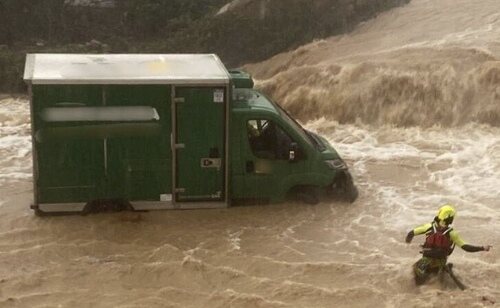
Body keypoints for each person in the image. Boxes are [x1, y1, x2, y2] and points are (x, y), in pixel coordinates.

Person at [405, 204, 492, 285]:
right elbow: (466, 247)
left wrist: (407, 244)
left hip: (425, 262)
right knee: (439, 283)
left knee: (417, 274)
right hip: (441, 263)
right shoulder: (452, 233)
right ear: (450, 219)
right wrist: (483, 248)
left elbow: (411, 233)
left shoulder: (428, 227)